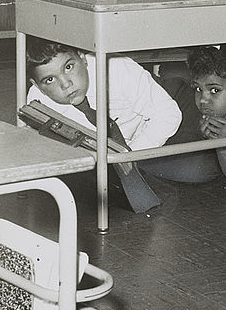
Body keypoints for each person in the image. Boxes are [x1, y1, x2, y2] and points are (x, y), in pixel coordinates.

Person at [26, 37, 183, 212]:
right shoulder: (38, 102)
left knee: (199, 168)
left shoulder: (116, 67)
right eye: (50, 80)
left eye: (69, 67)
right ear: (37, 86)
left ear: (83, 58)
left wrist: (128, 155)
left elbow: (168, 114)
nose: (66, 84)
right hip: (114, 149)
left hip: (165, 104)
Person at [147, 44, 226, 183]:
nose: (203, 100)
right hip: (170, 118)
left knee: (202, 169)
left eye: (214, 90)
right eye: (198, 89)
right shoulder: (186, 96)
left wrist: (224, 144)